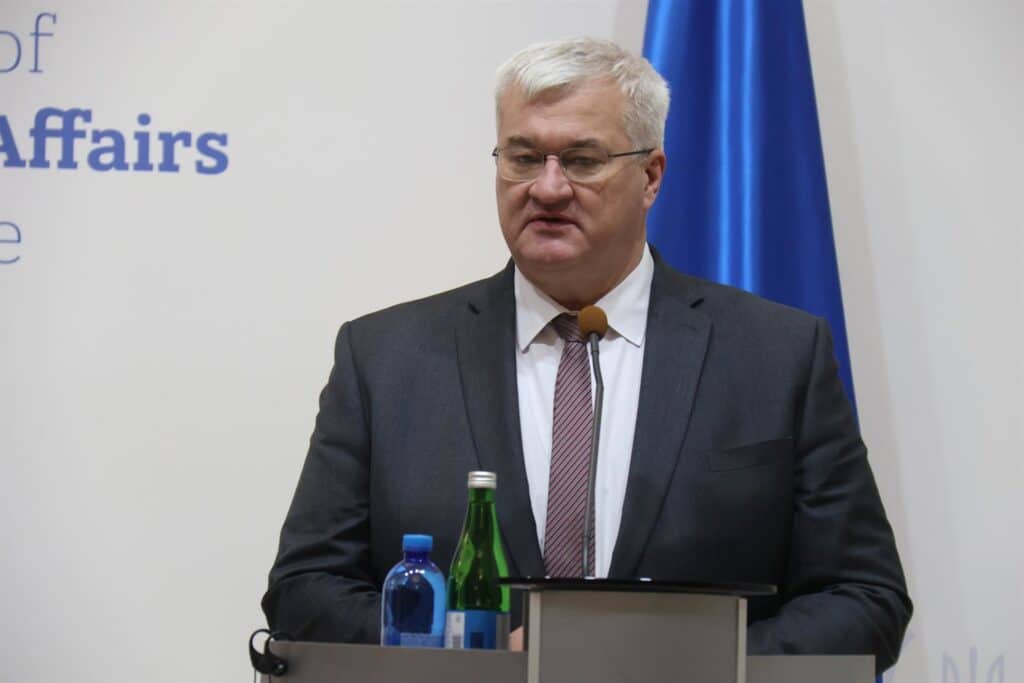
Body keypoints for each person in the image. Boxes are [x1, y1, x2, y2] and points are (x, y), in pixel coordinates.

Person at [262, 37, 911, 673]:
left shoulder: (777, 356)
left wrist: (681, 668)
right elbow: (304, 589)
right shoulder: (384, 359)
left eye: (581, 160)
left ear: (650, 176)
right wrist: (467, 657)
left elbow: (865, 600)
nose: (547, 189)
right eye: (523, 157)